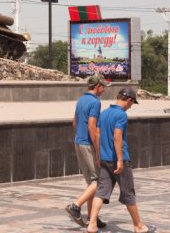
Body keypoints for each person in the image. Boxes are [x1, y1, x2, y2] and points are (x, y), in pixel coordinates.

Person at [86, 87, 154, 233]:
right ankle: (139, 226)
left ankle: (92, 225)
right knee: (128, 193)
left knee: (101, 191)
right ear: (129, 100)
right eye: (132, 103)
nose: (130, 106)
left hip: (104, 159)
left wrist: (99, 156)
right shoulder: (121, 115)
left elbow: (97, 135)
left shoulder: (104, 114)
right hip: (118, 160)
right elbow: (117, 136)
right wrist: (120, 160)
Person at [65, 74, 110, 229]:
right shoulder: (95, 102)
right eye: (103, 87)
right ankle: (75, 206)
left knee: (92, 182)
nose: (103, 90)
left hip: (78, 142)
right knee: (99, 181)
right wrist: (97, 150)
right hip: (88, 144)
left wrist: (81, 135)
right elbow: (92, 126)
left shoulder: (81, 100)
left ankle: (92, 218)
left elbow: (74, 122)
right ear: (97, 86)